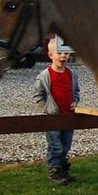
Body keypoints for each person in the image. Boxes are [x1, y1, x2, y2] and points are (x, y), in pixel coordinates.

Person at [33, 35, 80, 185]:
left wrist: (75, 101)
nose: (63, 56)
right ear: (51, 55)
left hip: (68, 116)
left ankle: (63, 169)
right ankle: (54, 170)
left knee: (66, 144)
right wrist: (47, 108)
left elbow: (76, 91)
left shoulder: (71, 74)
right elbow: (37, 94)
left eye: (66, 53)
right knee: (55, 145)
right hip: (53, 117)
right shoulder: (45, 76)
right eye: (59, 53)